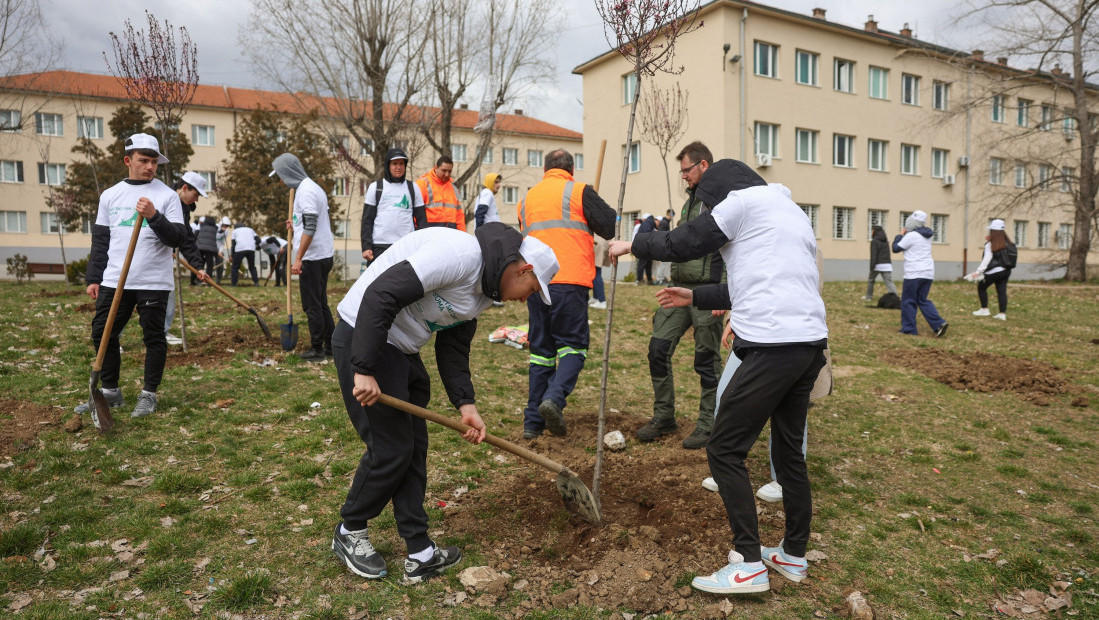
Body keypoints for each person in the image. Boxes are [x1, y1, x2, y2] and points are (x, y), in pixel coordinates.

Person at [609, 159, 828, 594]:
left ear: (720, 192)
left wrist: (634, 243)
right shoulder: (789, 210)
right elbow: (756, 281)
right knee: (788, 455)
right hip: (808, 344)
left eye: (707, 202)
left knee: (725, 448)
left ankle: (748, 563)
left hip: (771, 343)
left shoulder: (740, 203)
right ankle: (793, 554)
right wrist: (694, 294)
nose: (708, 211)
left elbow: (683, 242)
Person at [329, 222, 558, 583]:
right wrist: (364, 367)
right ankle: (349, 529)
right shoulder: (459, 254)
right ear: (522, 269)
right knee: (391, 449)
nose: (523, 299)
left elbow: (453, 348)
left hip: (401, 349)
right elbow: (381, 294)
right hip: (363, 335)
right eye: (529, 290)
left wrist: (466, 405)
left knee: (414, 448)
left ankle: (419, 550)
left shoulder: (484, 292)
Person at [699, 244, 833, 502]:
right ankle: (724, 468)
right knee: (727, 397)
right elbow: (741, 288)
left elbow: (803, 294)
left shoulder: (807, 245)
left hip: (793, 340)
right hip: (750, 338)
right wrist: (733, 320)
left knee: (790, 413)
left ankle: (783, 479)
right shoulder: (751, 240)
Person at [75, 133, 187, 419]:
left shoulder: (167, 196)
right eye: (143, 160)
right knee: (102, 332)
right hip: (115, 280)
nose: (150, 167)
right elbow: (101, 241)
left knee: (154, 337)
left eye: (154, 162)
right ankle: (111, 391)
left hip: (153, 281)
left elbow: (177, 238)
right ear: (128, 161)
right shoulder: (110, 195)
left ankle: (149, 394)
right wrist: (93, 277)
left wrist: (154, 216)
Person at [517, 150, 617, 439]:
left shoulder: (527, 199)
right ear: (571, 169)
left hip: (536, 282)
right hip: (570, 280)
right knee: (573, 346)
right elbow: (609, 225)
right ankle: (554, 399)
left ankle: (532, 424)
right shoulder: (579, 191)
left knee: (541, 352)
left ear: (545, 169)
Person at [636, 141, 724, 450]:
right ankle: (664, 416)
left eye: (686, 169)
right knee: (657, 349)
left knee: (706, 361)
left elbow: (732, 248)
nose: (683, 176)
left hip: (708, 291)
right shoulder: (689, 203)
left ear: (703, 166)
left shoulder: (721, 201)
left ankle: (708, 424)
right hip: (680, 289)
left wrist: (722, 298)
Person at [271, 152, 336, 362]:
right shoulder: (312, 187)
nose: (280, 181)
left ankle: (317, 349)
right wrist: (295, 224)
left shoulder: (306, 191)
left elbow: (311, 226)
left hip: (313, 258)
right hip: (323, 255)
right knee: (321, 303)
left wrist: (298, 258)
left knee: (312, 305)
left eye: (281, 175)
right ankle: (331, 346)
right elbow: (308, 221)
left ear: (288, 172)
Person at [164, 172, 210, 344]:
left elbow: (187, 240)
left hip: (163, 257)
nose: (196, 200)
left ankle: (163, 331)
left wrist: (198, 266)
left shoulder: (183, 210)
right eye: (195, 195)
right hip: (141, 255)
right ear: (184, 188)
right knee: (127, 295)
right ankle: (112, 338)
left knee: (168, 292)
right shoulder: (163, 199)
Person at [361, 148, 425, 265]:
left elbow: (422, 220)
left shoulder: (413, 188)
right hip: (379, 246)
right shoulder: (376, 187)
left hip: (406, 245)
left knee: (406, 282)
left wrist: (422, 245)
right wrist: (366, 246)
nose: (398, 167)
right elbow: (367, 220)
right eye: (394, 163)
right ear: (388, 165)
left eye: (401, 163)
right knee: (379, 282)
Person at [893, 210, 948, 337]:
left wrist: (900, 235)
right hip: (928, 273)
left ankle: (909, 328)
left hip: (914, 273)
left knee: (908, 301)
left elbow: (895, 248)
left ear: (911, 223)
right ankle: (939, 323)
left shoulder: (911, 236)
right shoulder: (927, 236)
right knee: (922, 300)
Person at [967, 218, 1014, 320]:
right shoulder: (1008, 242)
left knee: (981, 287)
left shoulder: (991, 244)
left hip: (994, 271)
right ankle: (1002, 314)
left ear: (993, 231)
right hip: (1006, 271)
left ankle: (984, 309)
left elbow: (986, 259)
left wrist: (978, 272)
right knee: (1001, 291)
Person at [417, 155, 465, 231]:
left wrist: (463, 235)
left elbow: (459, 216)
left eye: (449, 171)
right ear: (436, 168)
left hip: (450, 232)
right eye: (444, 170)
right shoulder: (423, 184)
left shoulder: (453, 188)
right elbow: (416, 212)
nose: (447, 174)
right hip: (430, 232)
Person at [864, 225, 897, 301]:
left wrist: (872, 267)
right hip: (887, 265)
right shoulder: (885, 241)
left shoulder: (874, 241)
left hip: (877, 265)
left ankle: (868, 297)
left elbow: (873, 255)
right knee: (889, 282)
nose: (871, 232)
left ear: (875, 231)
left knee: (871, 280)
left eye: (872, 230)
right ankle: (895, 298)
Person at [230, 222, 260, 286]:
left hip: (240, 249)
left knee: (235, 267)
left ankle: (234, 283)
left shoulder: (235, 231)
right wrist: (254, 245)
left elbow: (233, 244)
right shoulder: (250, 230)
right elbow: (258, 240)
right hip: (251, 249)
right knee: (252, 266)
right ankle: (256, 282)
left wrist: (232, 255)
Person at [195, 215, 220, 286]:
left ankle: (197, 280)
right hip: (210, 248)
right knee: (210, 265)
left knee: (199, 263)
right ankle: (208, 282)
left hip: (200, 246)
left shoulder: (201, 226)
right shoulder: (215, 228)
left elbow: (196, 234)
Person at [589, 235, 610, 310]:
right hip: (602, 241)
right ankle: (596, 298)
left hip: (598, 243)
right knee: (596, 272)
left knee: (595, 273)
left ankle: (601, 301)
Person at [634, 214, 656, 284]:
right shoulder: (649, 222)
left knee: (645, 263)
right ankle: (643, 280)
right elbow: (648, 233)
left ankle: (644, 279)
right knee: (645, 263)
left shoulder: (646, 223)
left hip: (643, 245)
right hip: (646, 245)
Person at [216, 217, 231, 284]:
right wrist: (220, 231)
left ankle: (218, 280)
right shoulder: (215, 227)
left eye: (227, 226)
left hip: (219, 250)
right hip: (212, 248)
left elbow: (222, 242)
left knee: (220, 265)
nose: (226, 227)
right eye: (225, 225)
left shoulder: (226, 232)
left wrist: (220, 251)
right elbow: (214, 237)